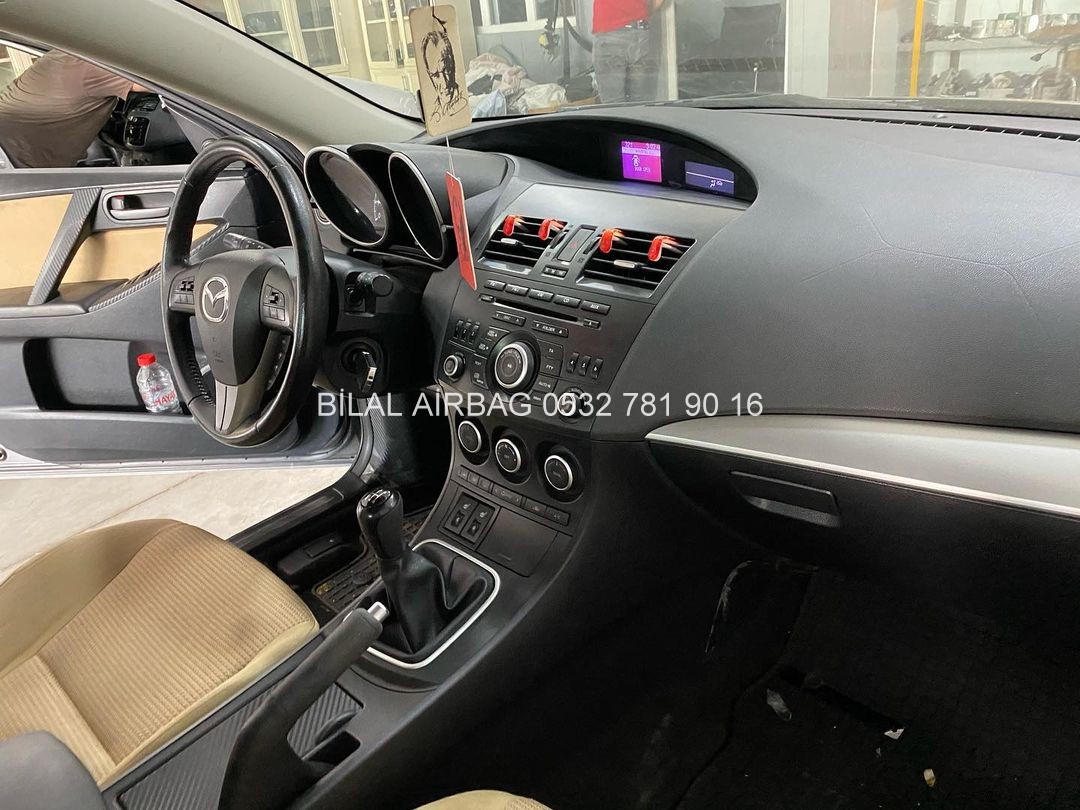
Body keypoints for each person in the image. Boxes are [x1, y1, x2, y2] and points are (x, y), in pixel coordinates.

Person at [0, 50, 138, 168]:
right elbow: (147, 79)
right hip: (16, 166)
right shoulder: (87, 64)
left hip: (16, 157)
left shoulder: (63, 54)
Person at [591, 0, 663, 104]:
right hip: (640, 33)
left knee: (613, 106)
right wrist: (642, 13)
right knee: (641, 104)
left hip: (609, 32)